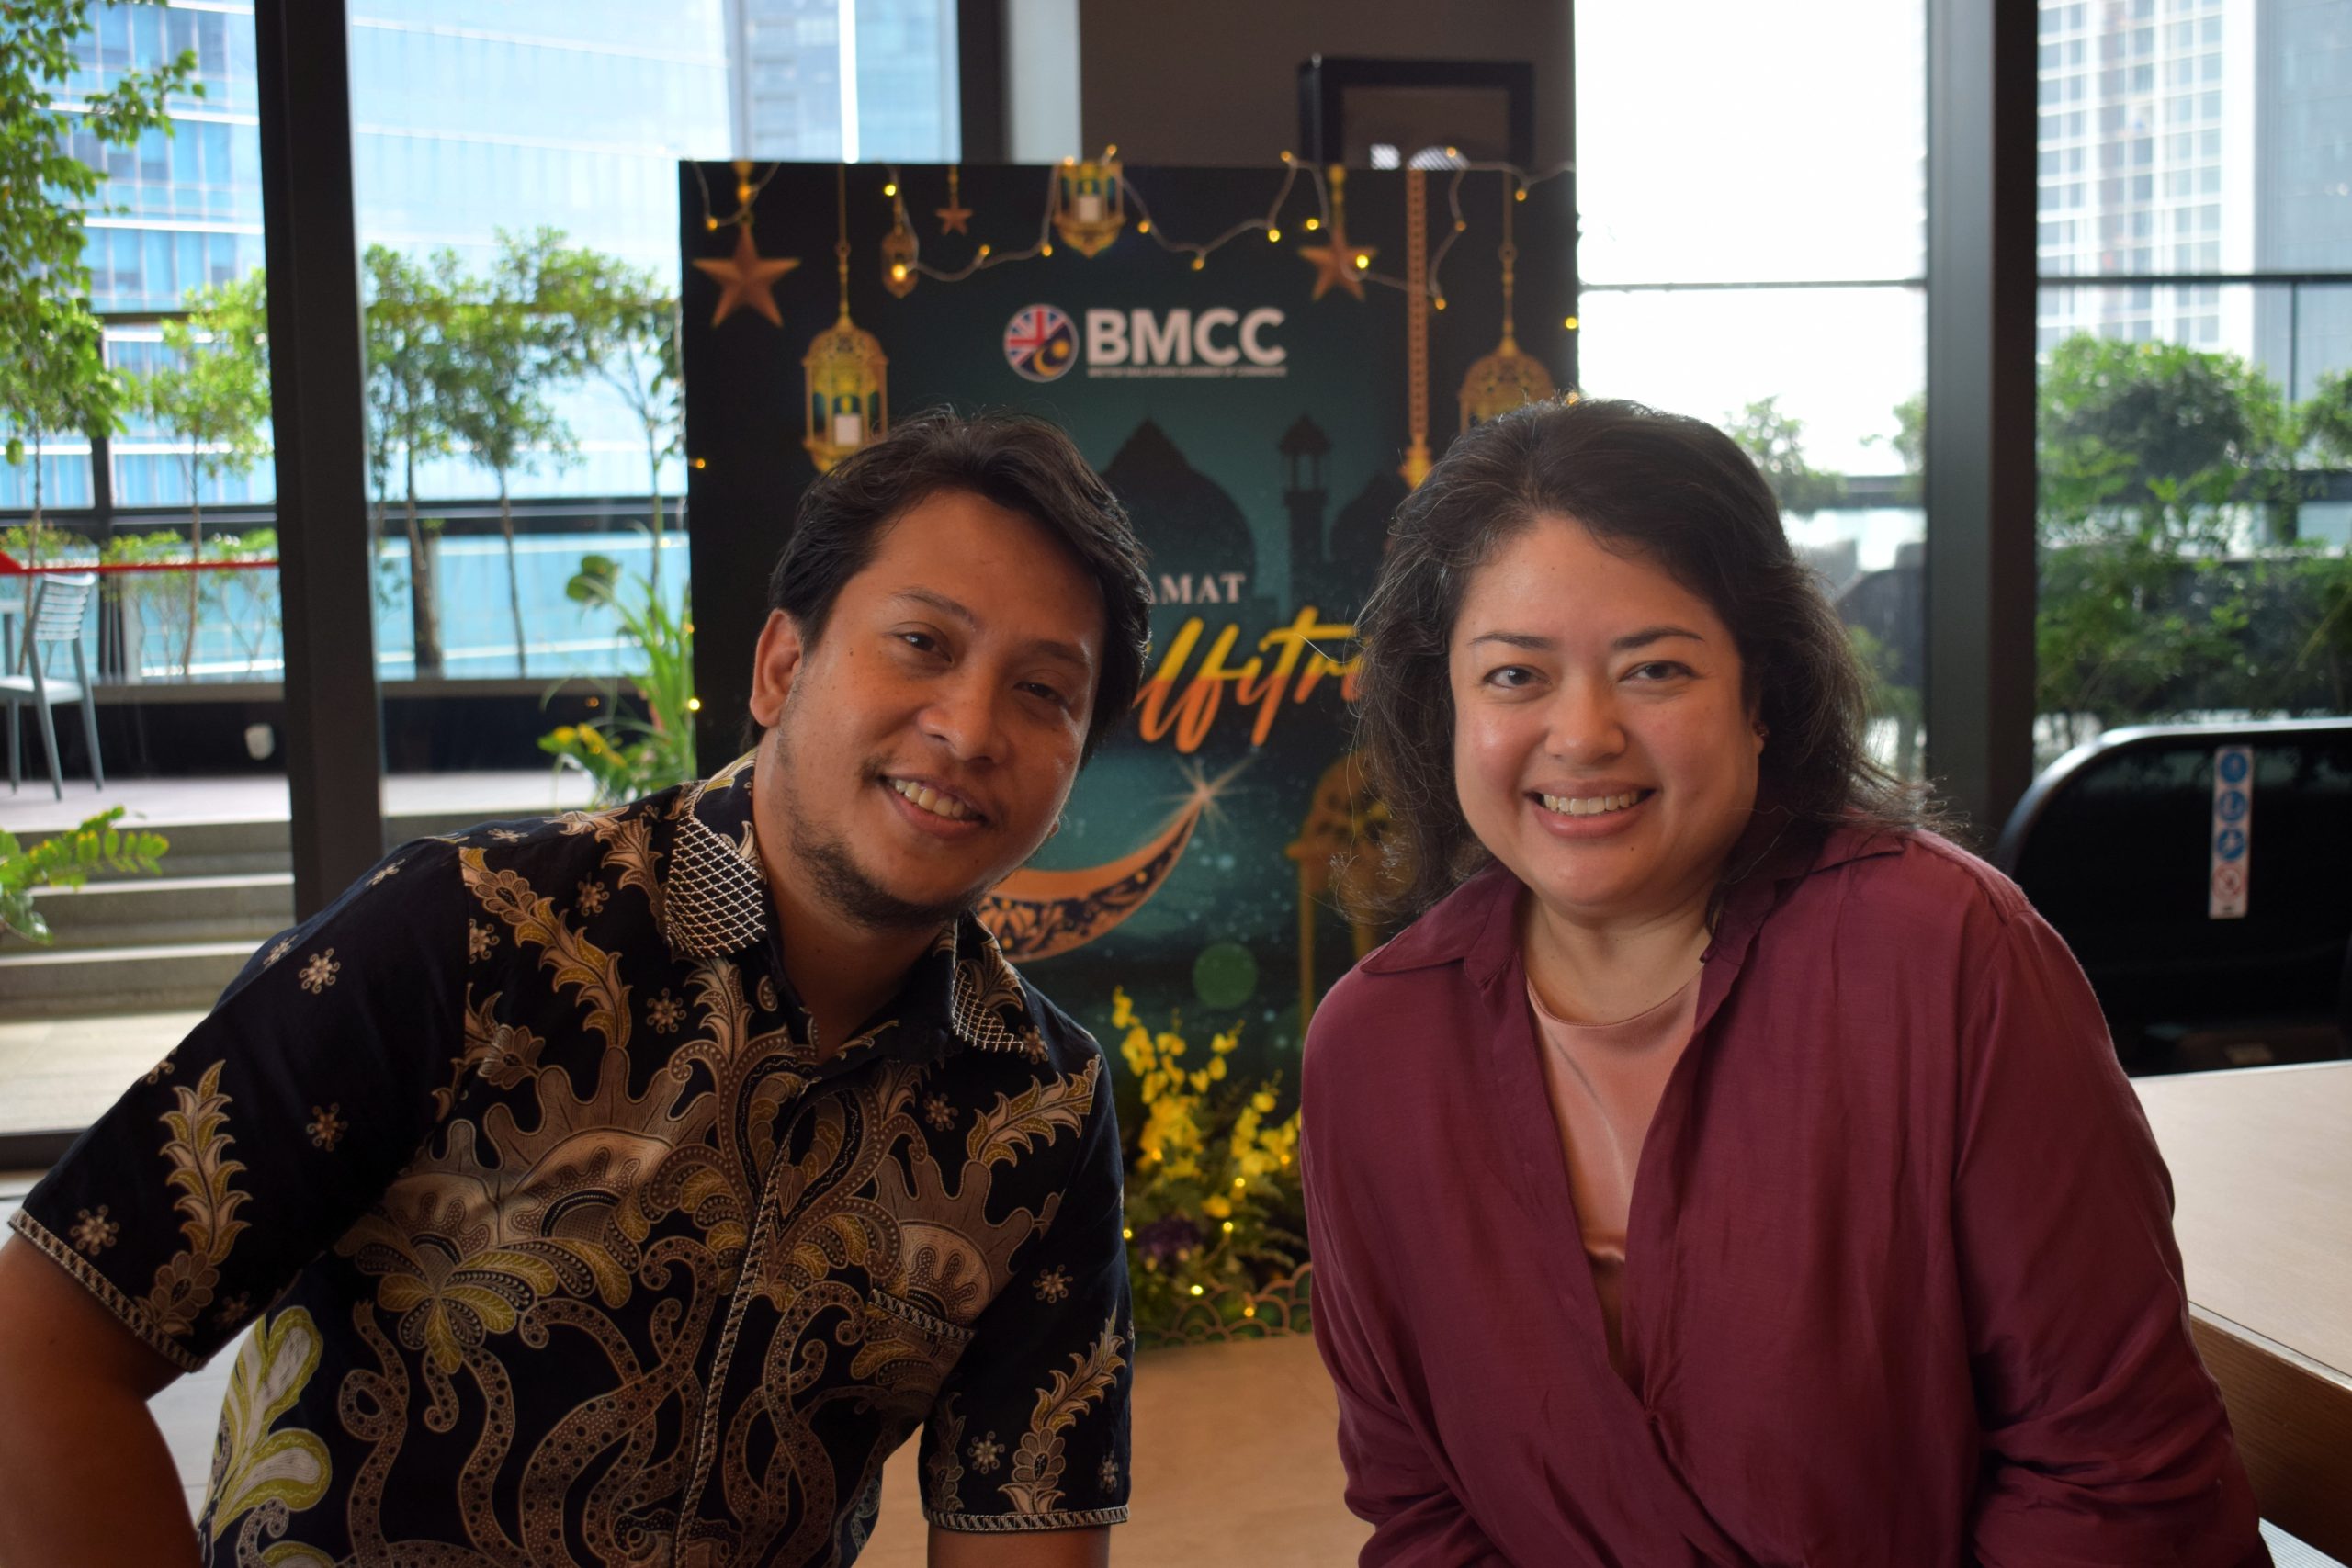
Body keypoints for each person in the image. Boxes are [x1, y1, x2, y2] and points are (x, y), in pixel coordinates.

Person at [0, 410, 1151, 1568]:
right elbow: (37, 1348)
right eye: (920, 642)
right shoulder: (471, 935)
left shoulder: (1037, 1106)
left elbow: (1028, 1536)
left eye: (1043, 691)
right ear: (781, 666)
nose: (969, 727)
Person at [1301, 397, 2268, 1566]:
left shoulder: (1945, 956)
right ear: (1442, 704)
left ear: (1759, 696)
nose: (1584, 733)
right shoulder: (1375, 1048)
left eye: (1655, 669)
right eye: (1514, 675)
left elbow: (2113, 1478)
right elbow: (1420, 1508)